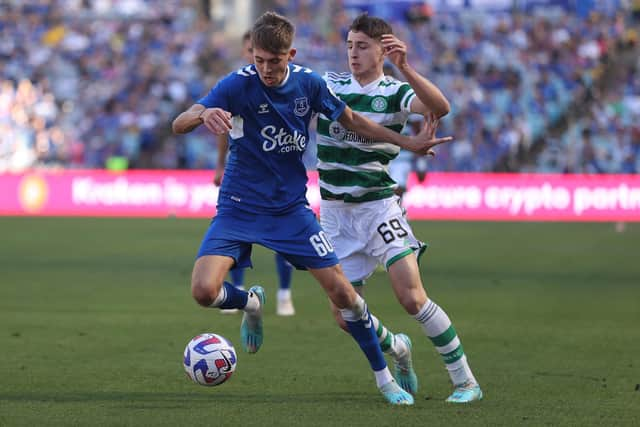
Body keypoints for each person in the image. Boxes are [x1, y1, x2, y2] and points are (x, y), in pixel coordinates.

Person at [172, 11, 449, 405]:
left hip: (289, 211)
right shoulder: (237, 83)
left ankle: (384, 377)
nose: (265, 69)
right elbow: (178, 123)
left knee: (345, 297)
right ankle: (251, 302)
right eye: (258, 60)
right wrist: (202, 113)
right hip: (237, 208)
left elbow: (354, 121)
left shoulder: (310, 84)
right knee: (203, 291)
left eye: (274, 61)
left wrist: (408, 144)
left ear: (291, 54)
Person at [317, 13, 482, 403]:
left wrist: (405, 67)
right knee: (344, 316)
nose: (353, 54)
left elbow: (439, 106)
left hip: (378, 209)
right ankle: (396, 346)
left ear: (382, 50)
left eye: (362, 46)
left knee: (411, 297)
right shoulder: (328, 85)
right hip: (335, 215)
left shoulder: (393, 91)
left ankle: (466, 382)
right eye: (349, 45)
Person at [214, 30, 295, 316]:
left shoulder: (288, 85)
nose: (254, 57)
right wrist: (220, 164)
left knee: (285, 240)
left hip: (281, 177)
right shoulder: (236, 87)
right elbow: (223, 128)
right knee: (239, 236)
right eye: (250, 51)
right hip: (245, 176)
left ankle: (284, 294)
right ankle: (239, 293)